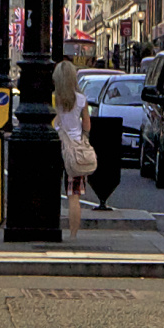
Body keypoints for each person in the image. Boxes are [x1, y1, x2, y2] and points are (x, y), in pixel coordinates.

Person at [53, 59, 91, 242]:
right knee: (74, 195)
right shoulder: (82, 99)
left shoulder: (55, 99)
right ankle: (73, 234)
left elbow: (53, 122)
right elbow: (87, 125)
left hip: (56, 146)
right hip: (75, 149)